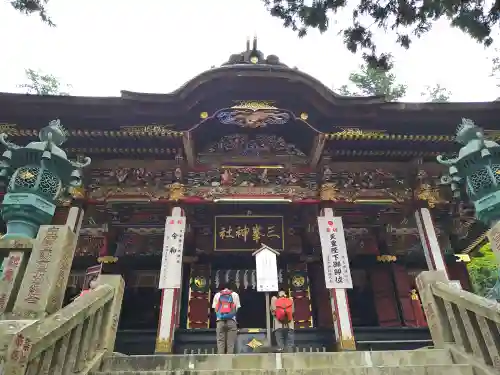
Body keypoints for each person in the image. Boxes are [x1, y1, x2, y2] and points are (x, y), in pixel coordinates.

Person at [212, 283, 241, 354]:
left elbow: (215, 309)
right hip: (231, 321)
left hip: (220, 321)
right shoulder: (235, 295)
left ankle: (221, 362)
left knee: (220, 342)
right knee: (230, 344)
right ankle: (229, 362)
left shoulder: (217, 295)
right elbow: (236, 309)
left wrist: (221, 315)